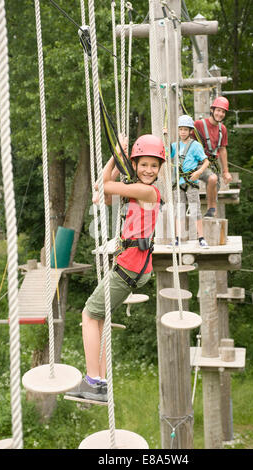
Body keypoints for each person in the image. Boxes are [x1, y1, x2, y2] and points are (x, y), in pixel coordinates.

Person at [66, 134, 165, 402]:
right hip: (132, 267)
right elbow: (102, 193)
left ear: (159, 169)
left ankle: (94, 382)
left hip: (130, 268)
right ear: (134, 165)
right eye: (143, 164)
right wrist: (116, 155)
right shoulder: (136, 190)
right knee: (97, 318)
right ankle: (99, 380)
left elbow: (103, 185)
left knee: (89, 314)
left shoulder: (148, 191)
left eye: (153, 166)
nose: (148, 170)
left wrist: (117, 152)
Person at [165, 114, 209, 247]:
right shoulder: (175, 146)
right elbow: (166, 153)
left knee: (195, 210)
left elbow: (206, 161)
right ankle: (177, 238)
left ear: (190, 131)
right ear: (178, 130)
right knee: (179, 211)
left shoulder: (195, 146)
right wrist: (165, 137)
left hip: (191, 183)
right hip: (178, 184)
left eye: (185, 129)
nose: (183, 132)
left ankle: (201, 238)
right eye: (181, 129)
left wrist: (199, 172)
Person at [194, 96, 232, 218]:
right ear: (212, 110)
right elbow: (185, 135)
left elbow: (222, 149)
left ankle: (210, 209)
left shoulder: (223, 130)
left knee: (215, 184)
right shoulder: (199, 124)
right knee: (212, 178)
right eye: (218, 110)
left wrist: (226, 171)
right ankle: (212, 209)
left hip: (213, 163)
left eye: (223, 112)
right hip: (198, 162)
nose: (220, 114)